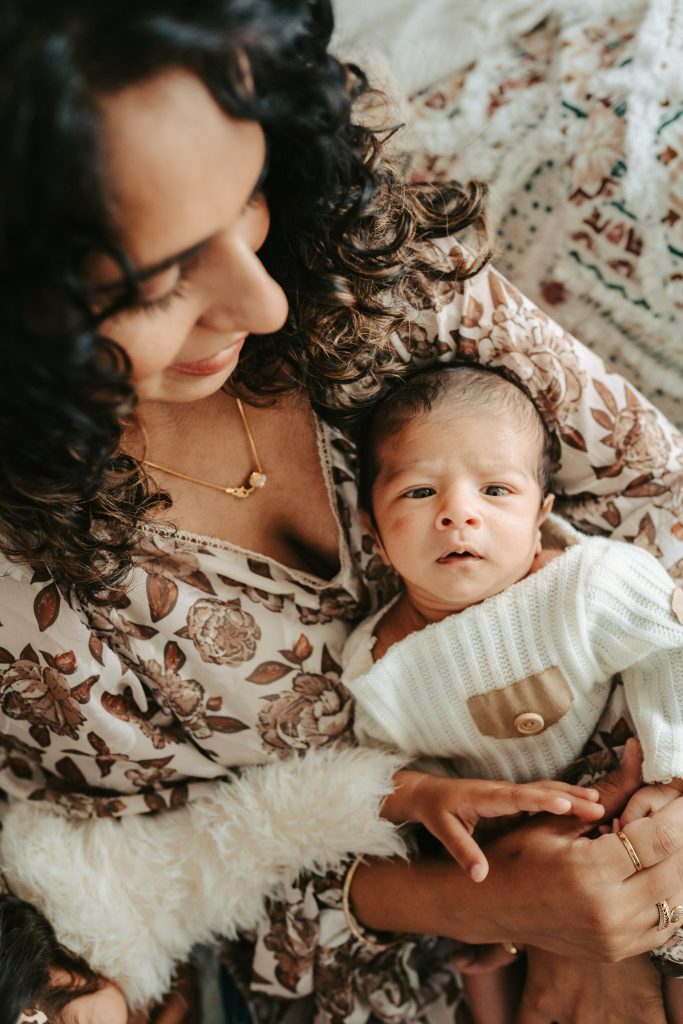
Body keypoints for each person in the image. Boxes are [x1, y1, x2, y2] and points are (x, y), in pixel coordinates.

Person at [1, 2, 683, 1023]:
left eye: (245, 202)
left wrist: (651, 835)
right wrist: (503, 900)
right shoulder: (28, 597)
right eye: (156, 282)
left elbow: (653, 495)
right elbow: (197, 885)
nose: (260, 302)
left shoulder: (371, 272)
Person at [342, 363, 683, 1022]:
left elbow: (670, 647)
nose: (457, 514)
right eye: (417, 493)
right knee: (478, 962)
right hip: (512, 864)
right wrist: (421, 793)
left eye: (495, 490)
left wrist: (669, 778)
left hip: (635, 814)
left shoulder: (584, 587)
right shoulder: (379, 665)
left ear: (540, 517)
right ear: (372, 531)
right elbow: (373, 771)